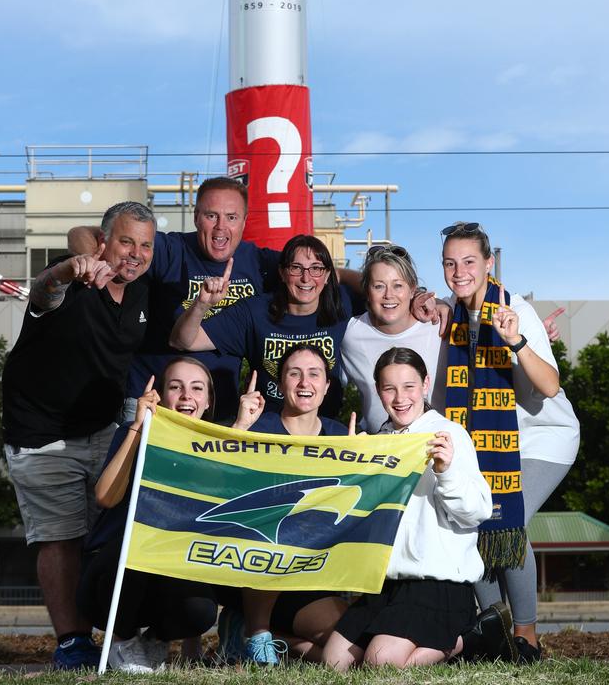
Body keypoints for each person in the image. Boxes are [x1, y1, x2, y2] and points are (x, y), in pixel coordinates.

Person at [2, 200, 155, 670]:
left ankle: (115, 637)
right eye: (125, 241)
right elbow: (43, 291)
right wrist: (73, 265)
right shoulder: (68, 279)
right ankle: (71, 642)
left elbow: (88, 230)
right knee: (61, 537)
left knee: (111, 535)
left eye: (145, 245)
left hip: (102, 429)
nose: (135, 254)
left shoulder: (144, 290)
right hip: (41, 434)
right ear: (104, 241)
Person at [69, 177, 361, 421]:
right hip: (155, 401)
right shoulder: (171, 249)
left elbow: (323, 272)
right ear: (196, 217)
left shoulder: (259, 263)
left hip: (220, 406)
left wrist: (390, 289)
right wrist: (94, 264)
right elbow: (83, 233)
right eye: (211, 216)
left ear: (245, 221)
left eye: (231, 217)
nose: (221, 228)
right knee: (139, 488)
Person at [440, 221, 580, 663]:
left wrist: (515, 340)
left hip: (543, 439)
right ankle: (494, 626)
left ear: (489, 263)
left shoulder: (514, 310)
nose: (459, 271)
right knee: (469, 521)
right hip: (483, 446)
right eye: (450, 262)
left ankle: (527, 637)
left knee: (508, 520)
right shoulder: (451, 314)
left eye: (468, 261)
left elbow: (551, 385)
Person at [322, 347, 493, 669]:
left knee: (380, 662)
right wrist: (350, 469)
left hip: (438, 583)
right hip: (387, 582)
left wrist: (446, 471)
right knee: (334, 663)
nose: (400, 397)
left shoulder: (449, 434)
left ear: (426, 384)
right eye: (389, 388)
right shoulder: (379, 439)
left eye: (409, 386)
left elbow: (476, 512)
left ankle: (469, 638)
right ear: (378, 391)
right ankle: (458, 639)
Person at [77, 358, 226, 672]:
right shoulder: (136, 433)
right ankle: (122, 641)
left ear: (208, 400)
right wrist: (136, 427)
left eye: (197, 388)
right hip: (110, 576)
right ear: (160, 396)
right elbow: (105, 496)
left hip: (168, 575)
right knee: (142, 540)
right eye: (176, 387)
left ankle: (153, 642)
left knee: (200, 610)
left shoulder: (216, 448)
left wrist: (239, 429)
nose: (187, 395)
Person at [218, 344, 353, 666]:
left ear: (327, 386)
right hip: (254, 574)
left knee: (347, 655)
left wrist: (358, 464)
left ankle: (270, 640)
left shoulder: (342, 438)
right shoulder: (256, 428)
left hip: (310, 578)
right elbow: (215, 480)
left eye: (314, 374)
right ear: (280, 385)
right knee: (276, 524)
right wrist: (239, 428)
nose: (304, 382)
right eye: (295, 374)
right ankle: (257, 630)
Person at [169, 234, 363, 418]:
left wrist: (343, 274)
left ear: (327, 275)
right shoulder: (255, 311)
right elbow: (184, 341)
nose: (306, 278)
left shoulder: (341, 305)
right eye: (296, 267)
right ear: (282, 272)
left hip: (324, 429)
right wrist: (201, 304)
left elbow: (378, 288)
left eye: (316, 268)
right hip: (266, 428)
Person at [340, 244, 446, 431]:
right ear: (367, 290)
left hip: (437, 447)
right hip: (379, 449)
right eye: (379, 286)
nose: (389, 295)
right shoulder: (350, 334)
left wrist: (441, 303)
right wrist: (337, 272)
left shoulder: (438, 325)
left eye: (398, 285)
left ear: (412, 289)